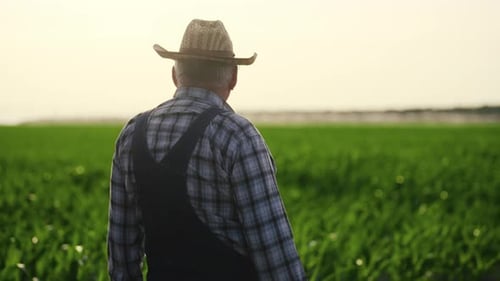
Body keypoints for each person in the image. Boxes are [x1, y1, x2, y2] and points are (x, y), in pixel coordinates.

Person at [107, 19, 307, 281]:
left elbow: (121, 256)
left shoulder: (132, 134)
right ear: (233, 77)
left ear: (175, 74)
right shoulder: (239, 136)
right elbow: (275, 256)